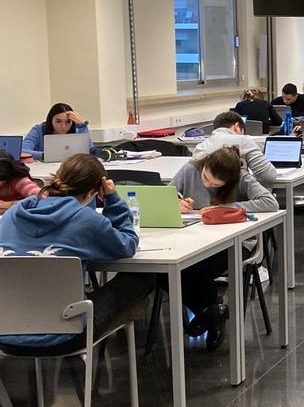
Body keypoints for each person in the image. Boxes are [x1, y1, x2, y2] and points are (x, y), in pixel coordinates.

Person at [0, 154, 154, 352]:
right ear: (94, 191)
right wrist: (113, 200)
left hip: (6, 334)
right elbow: (127, 244)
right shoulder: (86, 221)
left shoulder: (12, 215)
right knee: (140, 279)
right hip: (65, 335)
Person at [172, 146, 280, 351]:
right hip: (194, 240)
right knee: (163, 274)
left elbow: (270, 202)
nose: (206, 184)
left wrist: (228, 208)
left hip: (235, 244)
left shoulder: (242, 178)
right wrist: (176, 204)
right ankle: (212, 312)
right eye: (205, 177)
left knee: (194, 270)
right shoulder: (190, 170)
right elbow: (167, 194)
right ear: (204, 165)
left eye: (214, 184)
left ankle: (210, 312)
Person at [194, 111, 277, 184]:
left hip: (206, 199)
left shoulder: (200, 146)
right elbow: (269, 176)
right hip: (236, 197)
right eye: (243, 132)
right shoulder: (243, 141)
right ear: (237, 126)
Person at [22, 103, 90, 161]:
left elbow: (90, 151)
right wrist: (46, 155)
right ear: (51, 120)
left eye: (68, 122)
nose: (63, 126)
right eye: (58, 121)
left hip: (70, 169)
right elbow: (22, 151)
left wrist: (82, 126)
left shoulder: (78, 129)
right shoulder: (39, 130)